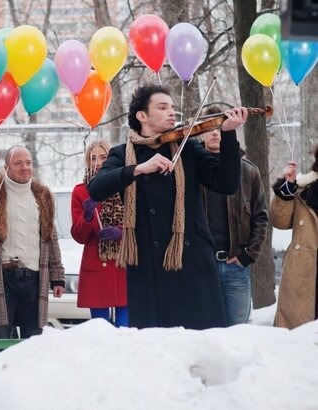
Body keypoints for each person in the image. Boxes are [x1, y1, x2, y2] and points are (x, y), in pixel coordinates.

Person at [88, 84, 247, 330]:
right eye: (162, 107)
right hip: (148, 267)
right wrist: (139, 169)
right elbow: (96, 188)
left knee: (200, 341)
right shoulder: (122, 154)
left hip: (191, 262)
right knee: (156, 347)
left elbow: (226, 183)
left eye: (172, 107)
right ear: (142, 116)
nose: (172, 112)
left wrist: (228, 134)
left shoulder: (189, 148)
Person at [0, 145, 65, 355]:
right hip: (2, 278)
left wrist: (58, 277)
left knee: (33, 346)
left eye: (28, 162)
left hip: (35, 280)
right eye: (18, 163)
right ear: (6, 167)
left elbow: (51, 239)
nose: (25, 167)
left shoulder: (43, 196)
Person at [201, 106, 269, 326]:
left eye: (220, 127)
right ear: (201, 132)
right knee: (202, 332)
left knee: (237, 333)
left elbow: (261, 217)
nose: (215, 132)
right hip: (201, 267)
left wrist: (248, 255)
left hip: (235, 267)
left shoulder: (248, 171)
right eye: (210, 127)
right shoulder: (190, 169)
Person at [71, 140, 128, 326]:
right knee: (100, 330)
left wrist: (121, 232)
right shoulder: (81, 192)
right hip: (96, 267)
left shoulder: (126, 186)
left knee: (126, 329)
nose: (98, 163)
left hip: (123, 265)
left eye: (103, 157)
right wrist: (87, 217)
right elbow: (79, 236)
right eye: (93, 158)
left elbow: (139, 222)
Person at [270, 150, 318, 329]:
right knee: (298, 339)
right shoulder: (303, 187)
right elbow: (279, 220)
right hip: (303, 270)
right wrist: (286, 189)